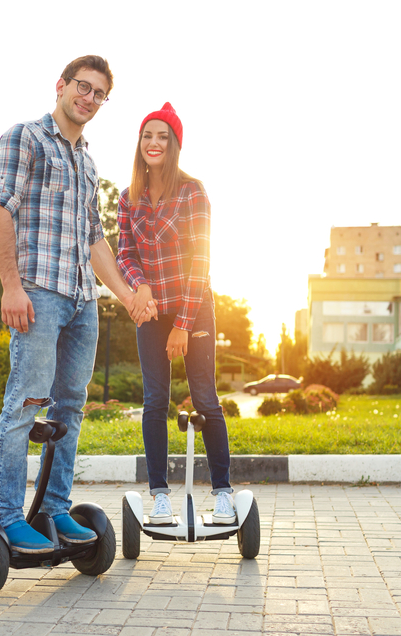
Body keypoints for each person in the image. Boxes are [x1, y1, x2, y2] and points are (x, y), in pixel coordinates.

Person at [0, 55, 154, 553]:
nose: (90, 98)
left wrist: (123, 295)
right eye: (83, 86)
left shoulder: (87, 160)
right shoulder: (25, 138)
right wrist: (10, 286)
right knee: (26, 404)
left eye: (100, 93)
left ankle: (55, 509)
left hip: (83, 302)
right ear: (61, 85)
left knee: (71, 409)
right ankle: (8, 515)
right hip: (37, 293)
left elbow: (95, 238)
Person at [115, 102, 236, 525]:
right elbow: (124, 253)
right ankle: (160, 496)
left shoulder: (193, 191)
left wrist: (183, 323)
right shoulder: (128, 197)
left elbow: (200, 261)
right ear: (140, 143)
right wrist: (139, 284)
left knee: (205, 398)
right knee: (154, 402)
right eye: (148, 135)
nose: (154, 143)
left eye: (162, 136)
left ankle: (222, 492)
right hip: (150, 312)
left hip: (194, 308)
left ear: (175, 145)